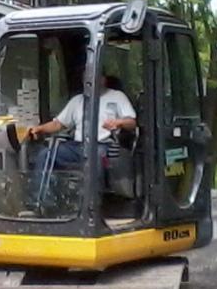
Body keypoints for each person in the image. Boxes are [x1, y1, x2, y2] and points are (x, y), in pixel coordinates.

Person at [25, 75, 137, 205]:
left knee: (95, 158)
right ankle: (42, 202)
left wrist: (119, 122)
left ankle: (92, 204)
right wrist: (39, 129)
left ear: (103, 79)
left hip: (104, 145)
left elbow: (132, 122)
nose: (88, 81)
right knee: (45, 154)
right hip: (78, 146)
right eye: (86, 77)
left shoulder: (117, 97)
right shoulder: (77, 101)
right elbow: (58, 124)